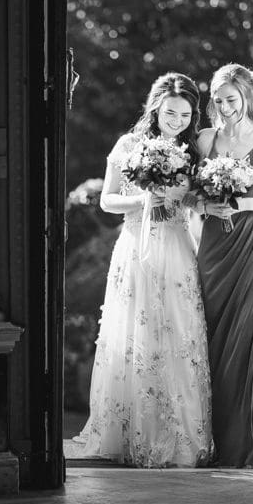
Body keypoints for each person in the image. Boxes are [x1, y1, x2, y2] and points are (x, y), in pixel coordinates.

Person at [73, 72, 213, 468]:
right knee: (135, 332)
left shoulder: (193, 150)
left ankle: (181, 436)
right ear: (155, 108)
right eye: (170, 113)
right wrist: (144, 201)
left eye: (185, 115)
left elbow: (194, 201)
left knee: (179, 331)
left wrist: (195, 200)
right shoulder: (129, 145)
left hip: (178, 247)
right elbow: (108, 200)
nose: (177, 121)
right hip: (136, 247)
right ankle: (129, 433)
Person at [194, 63, 253, 468]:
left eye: (231, 99)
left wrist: (241, 202)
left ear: (248, 96)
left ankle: (250, 440)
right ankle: (215, 438)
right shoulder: (205, 139)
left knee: (250, 334)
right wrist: (207, 205)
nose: (224, 107)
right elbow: (191, 197)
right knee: (213, 337)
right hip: (215, 246)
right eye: (218, 100)